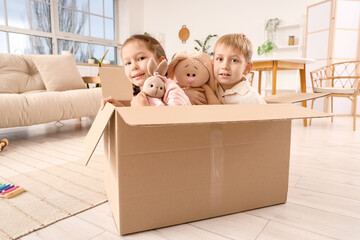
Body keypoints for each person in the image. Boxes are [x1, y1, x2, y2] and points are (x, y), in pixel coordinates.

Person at [101, 34, 190, 108]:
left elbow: (176, 122)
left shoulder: (172, 92)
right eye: (128, 63)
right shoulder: (140, 96)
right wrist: (121, 108)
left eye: (141, 58)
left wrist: (142, 111)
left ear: (160, 62)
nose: (133, 67)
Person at [213, 33, 266, 104]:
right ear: (212, 62)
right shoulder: (210, 86)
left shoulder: (252, 99)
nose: (224, 66)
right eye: (220, 59)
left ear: (247, 68)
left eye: (234, 60)